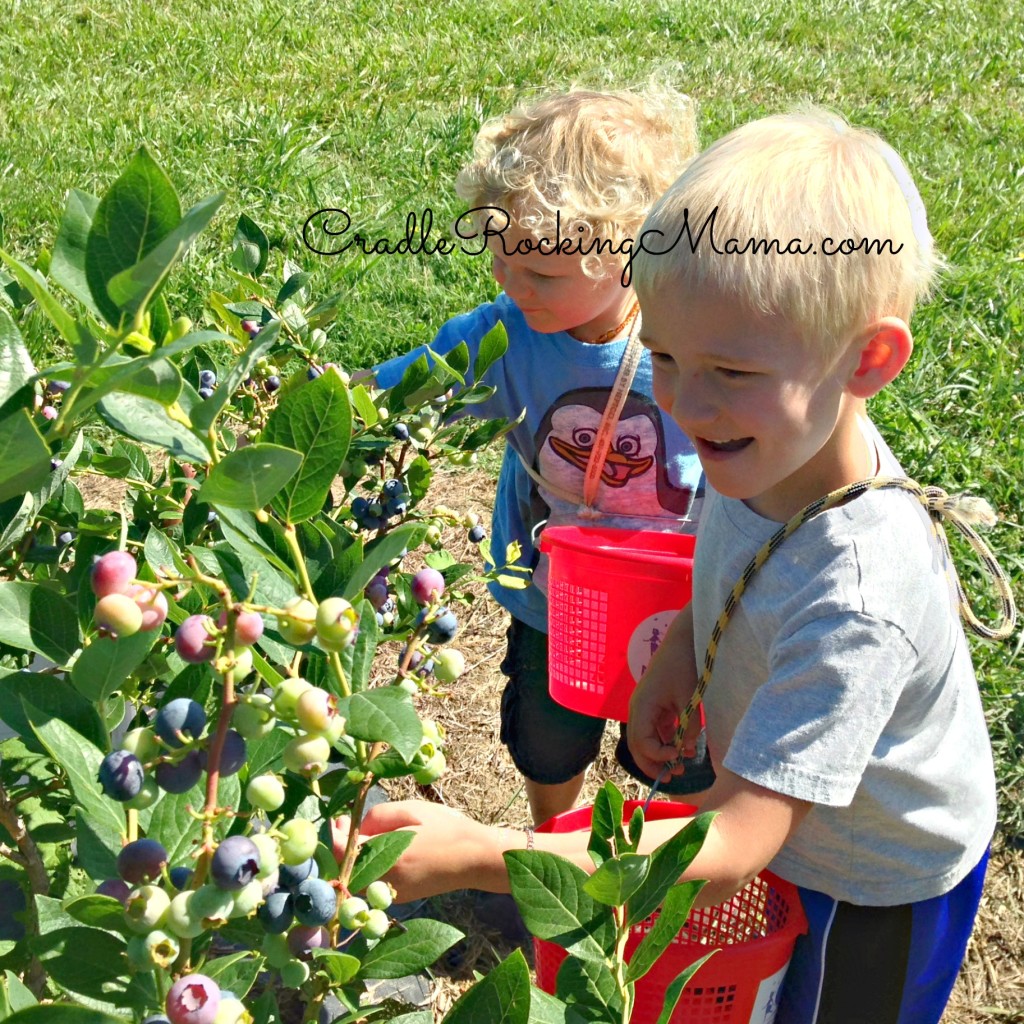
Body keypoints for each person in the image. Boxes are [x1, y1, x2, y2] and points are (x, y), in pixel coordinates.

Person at [358, 109, 1007, 1024]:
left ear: (868, 360)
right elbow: (722, 553)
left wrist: (477, 852)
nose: (685, 404)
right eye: (661, 355)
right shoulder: (772, 451)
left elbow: (736, 840)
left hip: (876, 880)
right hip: (796, 831)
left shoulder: (857, 597)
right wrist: (676, 664)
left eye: (731, 372)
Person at [368, 85, 711, 824]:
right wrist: (315, 396)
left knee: (677, 746)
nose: (510, 285)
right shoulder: (504, 339)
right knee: (547, 739)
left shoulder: (695, 340)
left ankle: (671, 872)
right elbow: (390, 397)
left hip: (679, 601)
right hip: (555, 595)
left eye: (541, 273)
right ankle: (551, 835)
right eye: (499, 259)